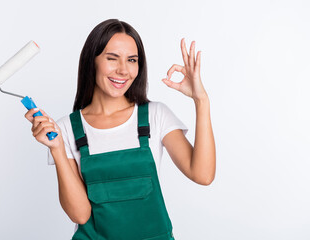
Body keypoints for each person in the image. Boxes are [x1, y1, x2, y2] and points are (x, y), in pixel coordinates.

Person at [25, 19, 216, 240]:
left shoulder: (155, 116)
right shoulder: (66, 129)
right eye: (112, 58)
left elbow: (202, 174)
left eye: (132, 60)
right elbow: (79, 214)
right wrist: (57, 148)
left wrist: (201, 100)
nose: (123, 70)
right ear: (92, 61)